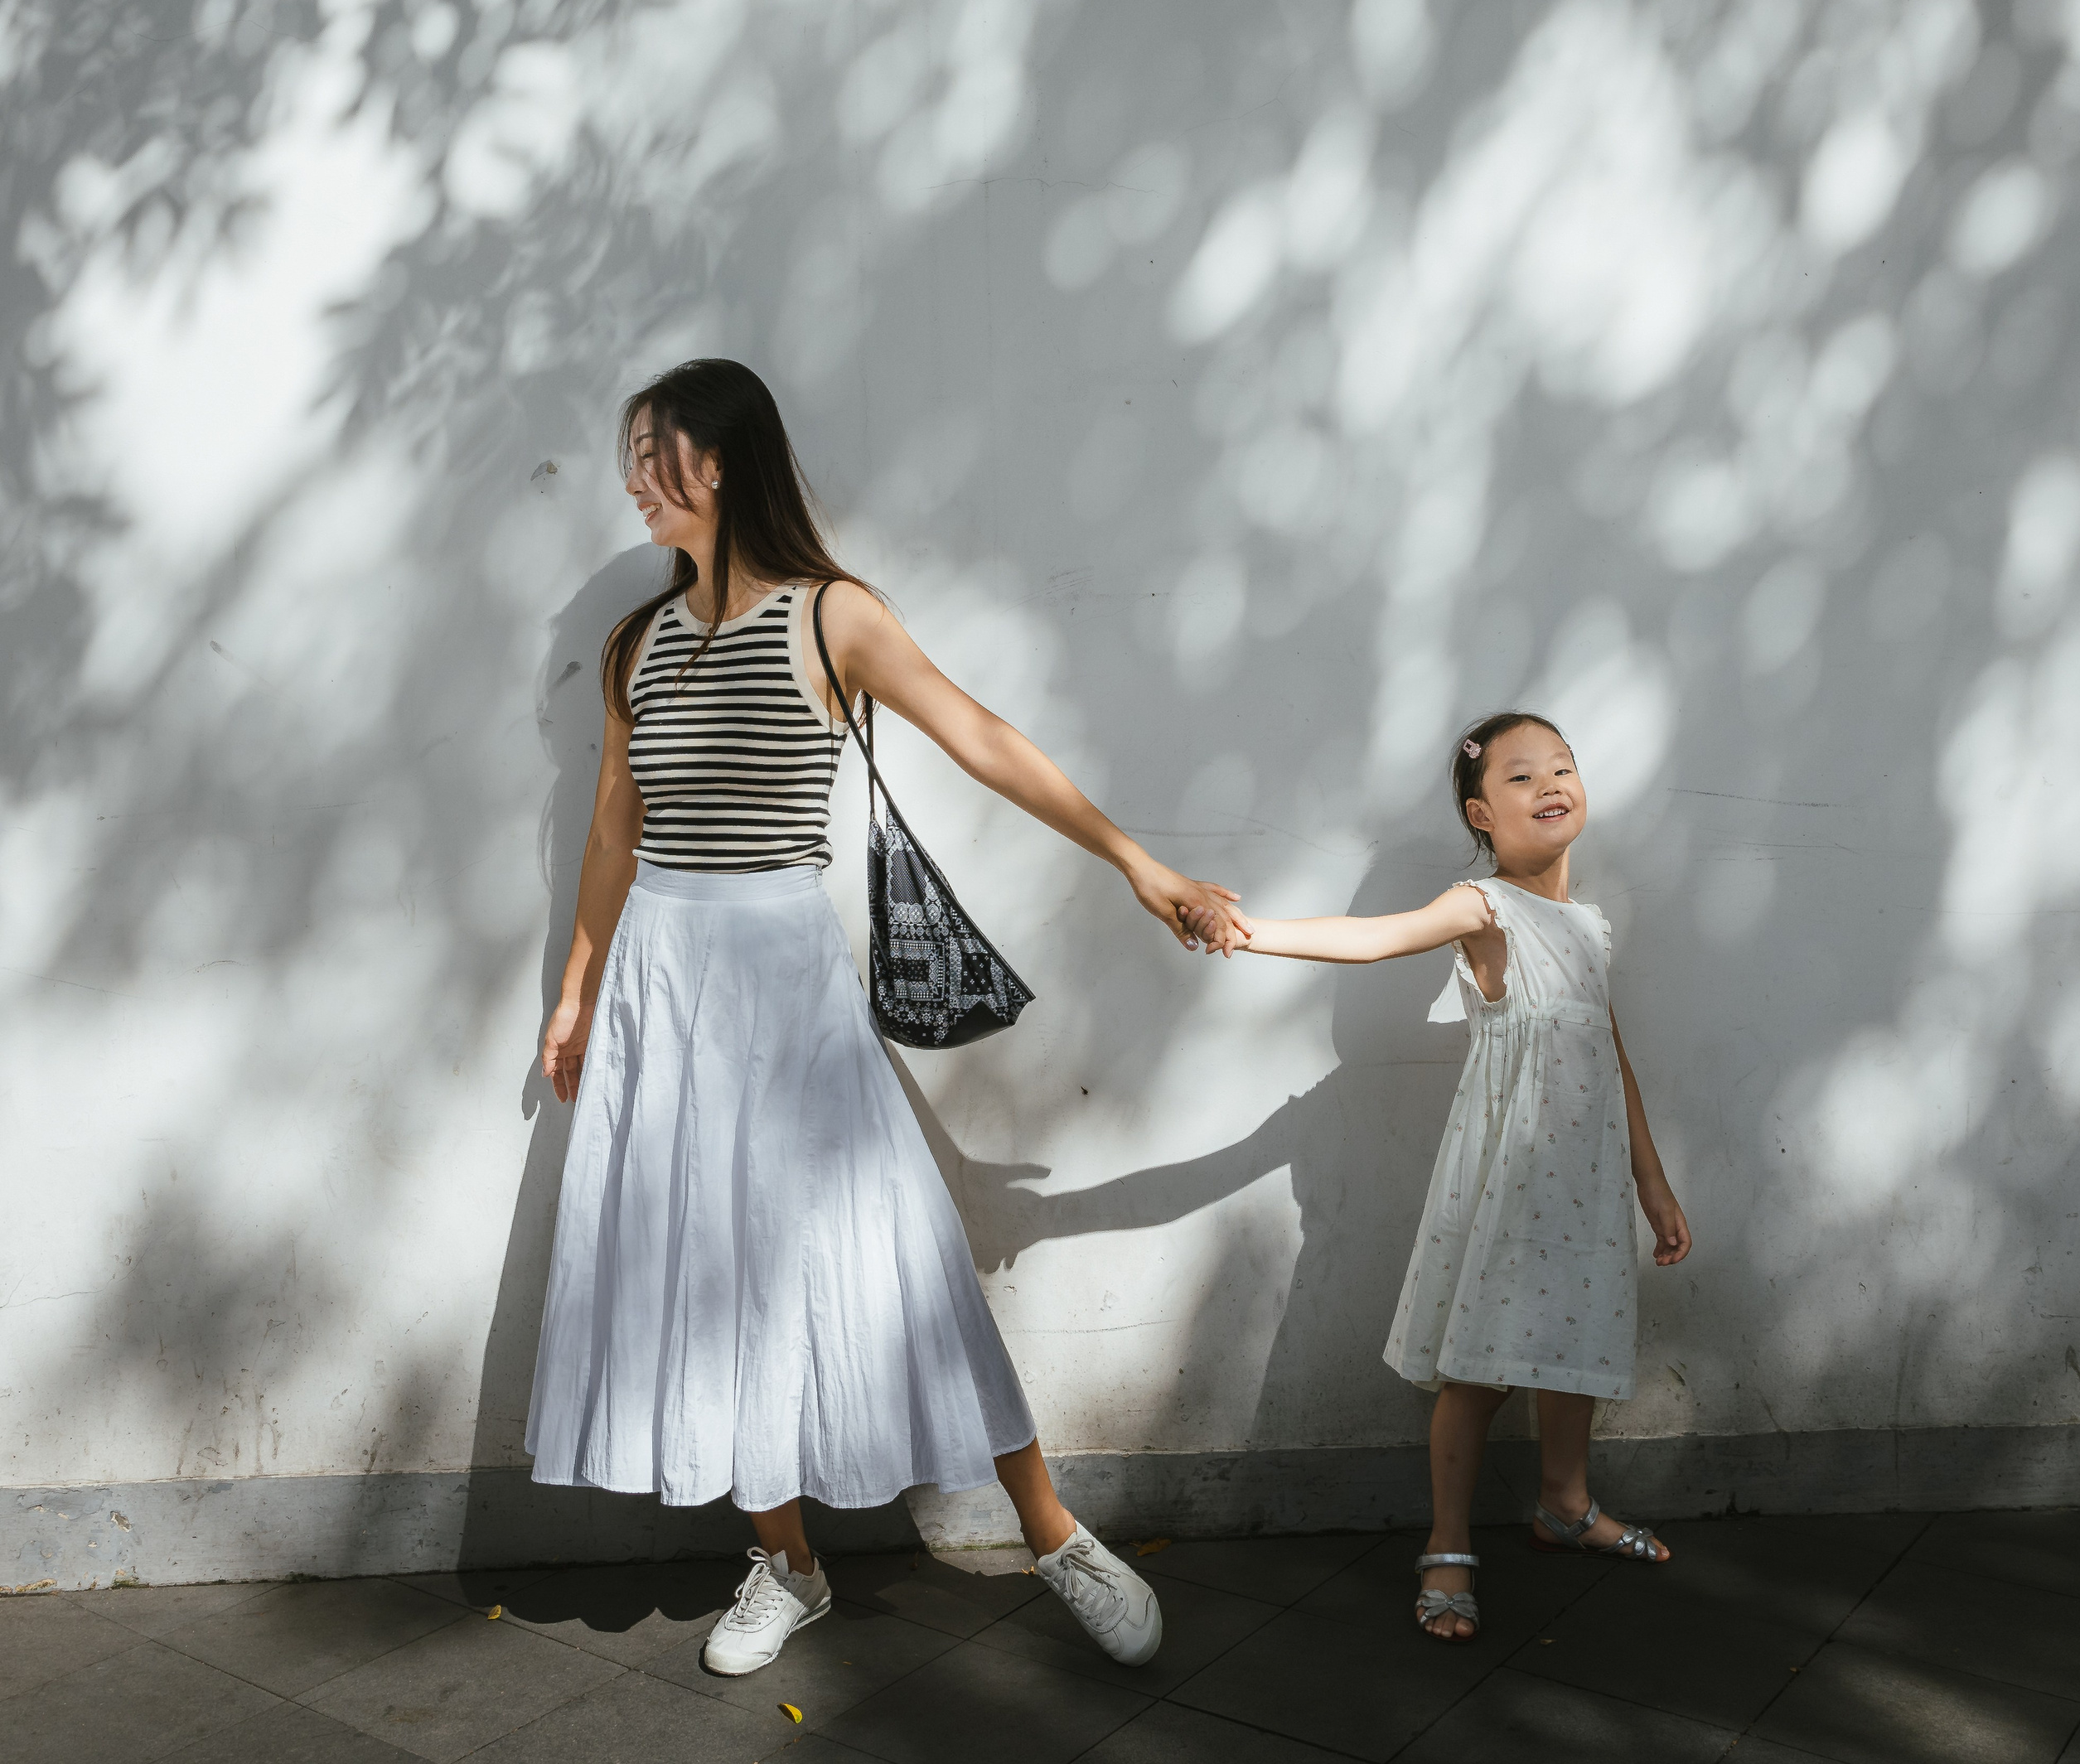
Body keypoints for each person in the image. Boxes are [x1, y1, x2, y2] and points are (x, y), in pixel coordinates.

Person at [523, 359, 1246, 1676]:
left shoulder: (830, 616)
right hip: (660, 988)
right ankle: (787, 1564)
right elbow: (616, 828)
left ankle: (1054, 1536)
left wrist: (1140, 862)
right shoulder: (638, 642)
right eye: (627, 458)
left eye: (654, 453)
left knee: (903, 1262)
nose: (633, 481)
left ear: (725, 459)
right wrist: (576, 987)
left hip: (781, 976)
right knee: (711, 1276)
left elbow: (980, 736)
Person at [1208, 712, 1691, 1641]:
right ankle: (1446, 1543)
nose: (1549, 781)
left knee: (1574, 1337)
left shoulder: (1587, 926)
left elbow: (1609, 1050)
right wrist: (1246, 928)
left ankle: (1565, 1500)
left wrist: (1652, 1182)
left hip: (1584, 1180)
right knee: (1477, 1362)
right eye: (1519, 777)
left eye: (1561, 765)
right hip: (1511, 1178)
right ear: (1481, 813)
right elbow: (1372, 938)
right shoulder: (1485, 907)